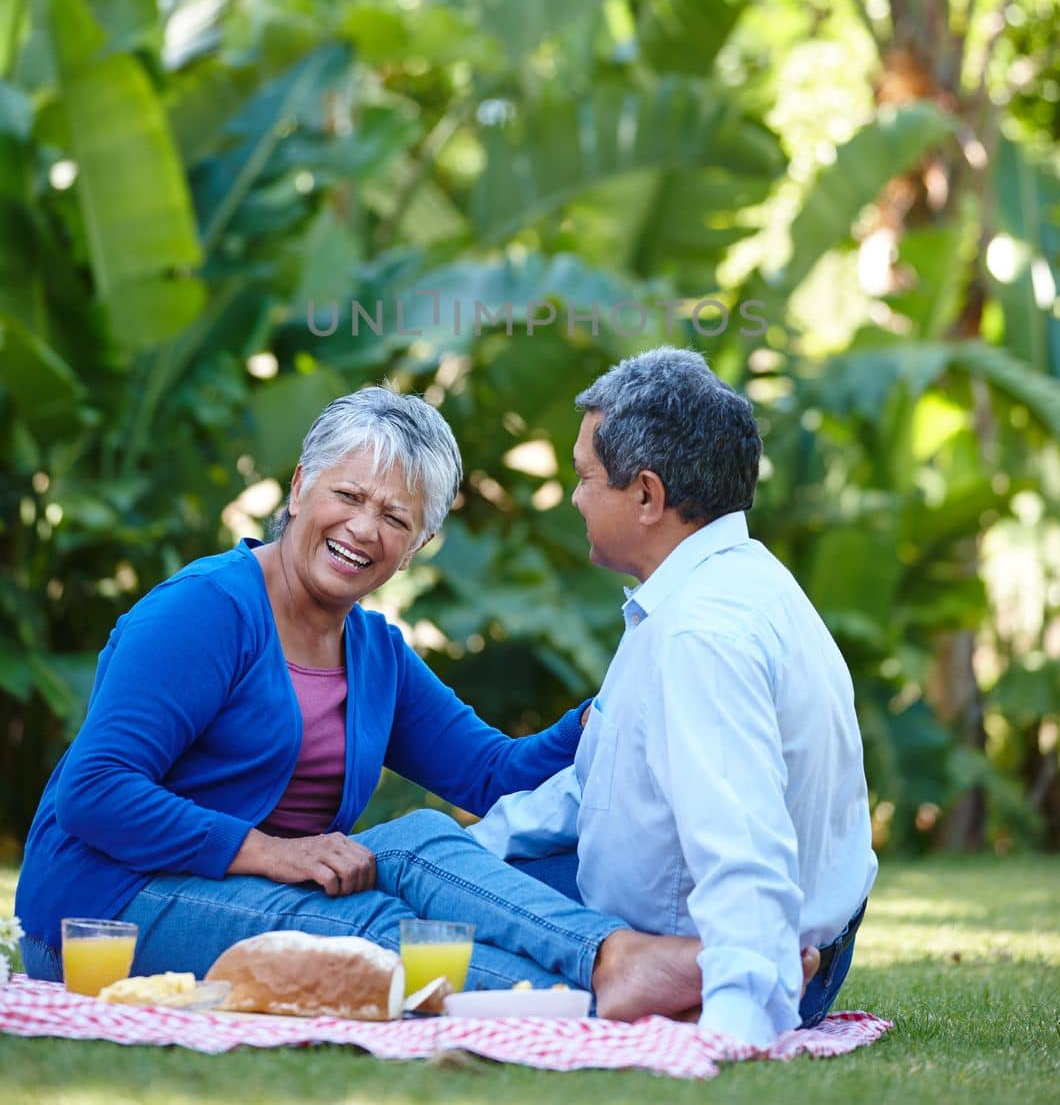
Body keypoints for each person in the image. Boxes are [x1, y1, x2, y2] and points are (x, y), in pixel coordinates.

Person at [16, 386, 701, 1018]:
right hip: (107, 908)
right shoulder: (205, 612)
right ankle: (622, 994)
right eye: (347, 495)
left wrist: (603, 712)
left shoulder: (374, 652)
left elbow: (494, 776)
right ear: (298, 488)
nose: (364, 528)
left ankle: (620, 961)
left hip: (259, 897)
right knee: (371, 934)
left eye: (395, 517)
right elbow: (95, 790)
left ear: (416, 548)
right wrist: (264, 851)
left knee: (422, 840)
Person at [471, 347, 878, 1045]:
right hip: (752, 937)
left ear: (647, 496)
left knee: (406, 923)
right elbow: (602, 786)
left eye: (584, 478)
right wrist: (477, 847)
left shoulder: (701, 633)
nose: (572, 498)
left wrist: (738, 1017)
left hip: (737, 956)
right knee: (438, 866)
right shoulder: (722, 587)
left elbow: (741, 841)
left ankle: (671, 985)